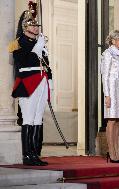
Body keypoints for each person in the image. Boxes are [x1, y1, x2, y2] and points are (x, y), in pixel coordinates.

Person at [8, 1, 52, 166]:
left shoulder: (40, 43)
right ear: (25, 27)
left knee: (38, 118)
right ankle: (27, 155)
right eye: (32, 25)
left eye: (37, 25)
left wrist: (50, 81)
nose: (36, 28)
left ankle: (35, 153)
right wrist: (36, 49)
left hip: (41, 82)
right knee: (28, 118)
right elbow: (21, 61)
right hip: (27, 82)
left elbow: (47, 65)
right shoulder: (19, 43)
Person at [101, 30, 119, 163]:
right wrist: (107, 95)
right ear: (113, 41)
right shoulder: (108, 54)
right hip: (111, 91)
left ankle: (116, 152)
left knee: (117, 121)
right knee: (111, 120)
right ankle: (111, 153)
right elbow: (105, 75)